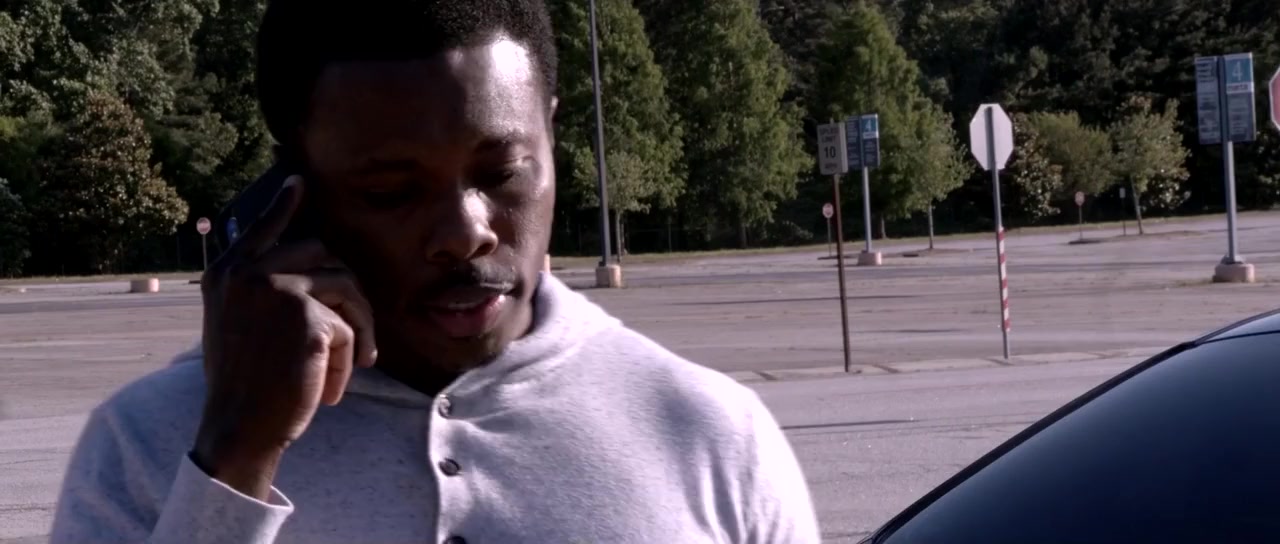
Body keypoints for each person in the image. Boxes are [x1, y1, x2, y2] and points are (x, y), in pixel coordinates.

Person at [50, 1, 821, 542]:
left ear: (551, 133)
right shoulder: (149, 442)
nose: (465, 234)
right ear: (292, 187)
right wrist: (232, 461)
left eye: (503, 172)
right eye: (391, 191)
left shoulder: (713, 432)